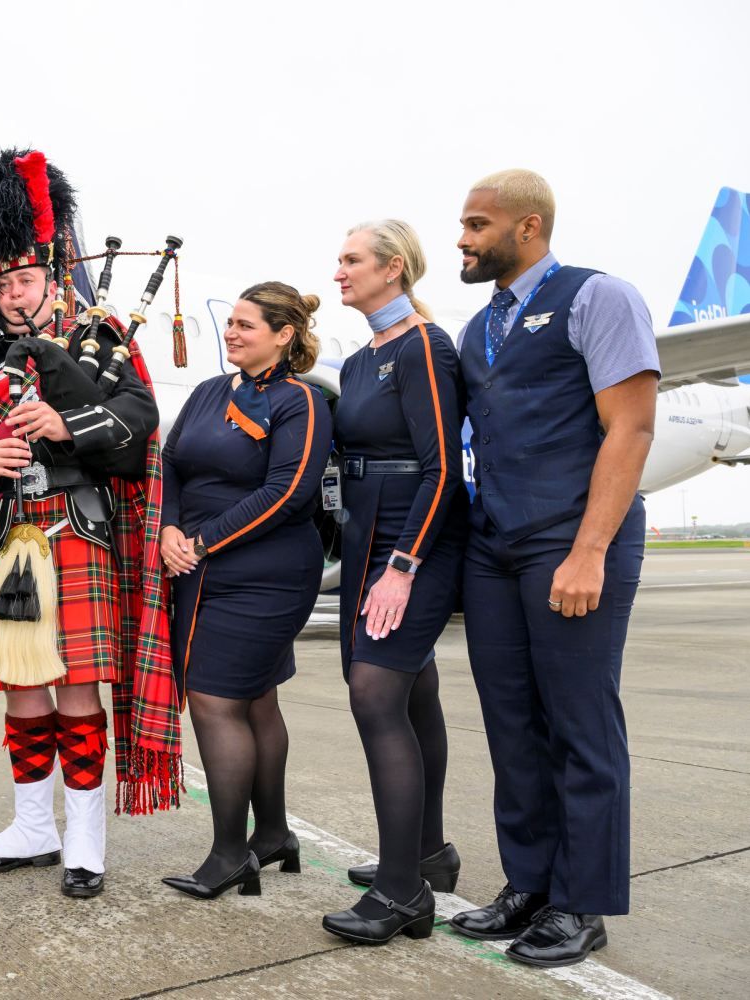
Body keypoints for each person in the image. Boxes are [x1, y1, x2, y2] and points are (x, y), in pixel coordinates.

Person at [0, 149, 175, 900]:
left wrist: (66, 428)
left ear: (53, 278)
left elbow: (141, 420)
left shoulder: (99, 342)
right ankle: (33, 826)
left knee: (76, 693)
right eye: (1, 283)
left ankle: (87, 841)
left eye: (25, 279)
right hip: (11, 538)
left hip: (79, 532)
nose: (12, 295)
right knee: (22, 690)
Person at [450, 169, 658, 967]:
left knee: (580, 724)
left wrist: (590, 550)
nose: (462, 240)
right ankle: (529, 885)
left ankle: (582, 903)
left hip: (571, 541)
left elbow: (631, 428)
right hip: (496, 549)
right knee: (512, 726)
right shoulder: (478, 330)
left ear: (527, 227)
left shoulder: (597, 296)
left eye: (475, 225)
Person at [157, 282, 331, 902]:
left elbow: (287, 492)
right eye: (229, 323)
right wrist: (170, 527)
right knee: (256, 700)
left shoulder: (299, 402)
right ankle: (275, 833)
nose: (231, 332)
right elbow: (170, 464)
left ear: (284, 336)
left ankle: (230, 853)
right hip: (200, 564)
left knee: (212, 700)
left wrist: (202, 541)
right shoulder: (209, 392)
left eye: (246, 325)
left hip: (267, 573)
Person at [320, 221, 468, 945]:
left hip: (415, 536)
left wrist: (404, 565)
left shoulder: (424, 347)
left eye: (351, 260)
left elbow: (443, 467)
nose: (338, 271)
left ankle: (402, 890)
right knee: (414, 688)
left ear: (394, 268)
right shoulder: (358, 362)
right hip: (365, 532)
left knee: (375, 692)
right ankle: (429, 854)